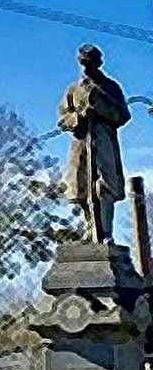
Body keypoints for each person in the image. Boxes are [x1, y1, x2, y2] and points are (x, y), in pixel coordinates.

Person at [59, 43, 133, 242]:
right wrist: (77, 117)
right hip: (81, 142)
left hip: (103, 140)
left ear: (98, 63)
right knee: (83, 187)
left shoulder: (110, 87)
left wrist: (100, 109)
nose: (86, 67)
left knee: (105, 186)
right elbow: (63, 118)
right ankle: (91, 229)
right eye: (83, 63)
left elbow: (123, 115)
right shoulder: (73, 90)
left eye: (89, 63)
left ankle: (106, 232)